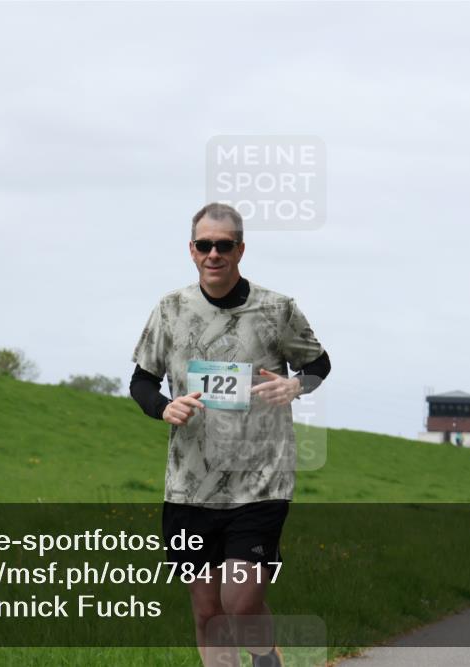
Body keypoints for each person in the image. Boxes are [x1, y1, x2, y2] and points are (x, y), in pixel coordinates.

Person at [129, 203, 330, 667]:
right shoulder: (170, 309)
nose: (213, 253)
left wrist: (295, 385)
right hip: (189, 483)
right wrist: (164, 407)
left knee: (239, 603)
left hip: (260, 480)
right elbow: (142, 381)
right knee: (207, 612)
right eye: (205, 245)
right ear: (192, 250)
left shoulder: (277, 309)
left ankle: (263, 653)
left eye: (223, 245)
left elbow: (318, 363)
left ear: (240, 249)